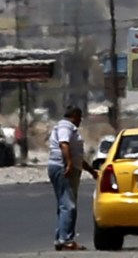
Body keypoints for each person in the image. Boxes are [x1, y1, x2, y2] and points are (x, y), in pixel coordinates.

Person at [47, 105, 98, 251]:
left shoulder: (66, 127)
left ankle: (60, 238)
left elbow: (77, 157)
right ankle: (67, 240)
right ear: (74, 115)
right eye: (79, 117)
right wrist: (69, 164)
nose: (80, 120)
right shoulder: (66, 126)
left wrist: (91, 171)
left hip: (62, 166)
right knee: (69, 205)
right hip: (62, 167)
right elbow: (64, 144)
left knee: (63, 204)